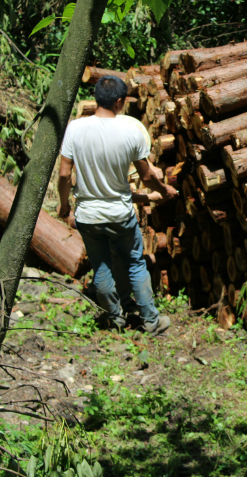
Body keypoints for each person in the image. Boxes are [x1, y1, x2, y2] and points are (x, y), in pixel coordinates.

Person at [58, 75, 178, 335]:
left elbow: (65, 174)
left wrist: (64, 206)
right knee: (135, 263)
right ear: (120, 101)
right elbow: (147, 177)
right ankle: (150, 320)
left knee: (101, 267)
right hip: (120, 215)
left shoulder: (75, 129)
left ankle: (115, 320)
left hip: (88, 216)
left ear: (96, 98)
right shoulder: (130, 132)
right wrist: (164, 190)